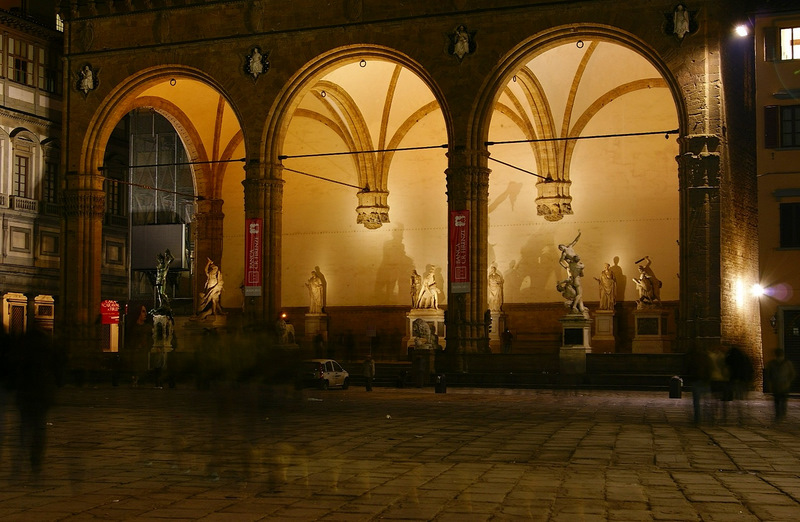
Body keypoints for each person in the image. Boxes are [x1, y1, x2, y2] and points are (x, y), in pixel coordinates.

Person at [765, 348, 796, 423]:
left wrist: (770, 383)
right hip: (782, 385)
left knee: (778, 401)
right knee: (782, 400)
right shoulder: (787, 363)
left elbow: (768, 375)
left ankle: (779, 415)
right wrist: (788, 381)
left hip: (778, 385)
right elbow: (792, 373)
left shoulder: (772, 363)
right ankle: (781, 414)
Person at [153, 249, 175, 314]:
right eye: (159, 259)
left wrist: (169, 254)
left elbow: (172, 259)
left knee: (162, 293)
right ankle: (161, 305)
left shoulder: (166, 264)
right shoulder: (159, 265)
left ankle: (167, 305)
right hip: (158, 281)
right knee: (159, 294)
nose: (160, 260)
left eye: (161, 259)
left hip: (162, 281)